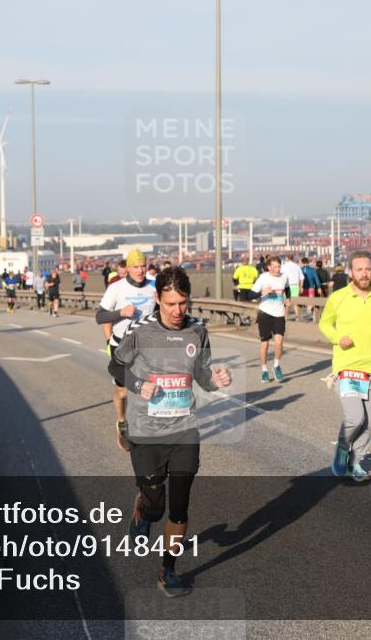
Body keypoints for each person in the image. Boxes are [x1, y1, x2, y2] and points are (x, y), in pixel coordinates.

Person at [113, 266, 231, 598]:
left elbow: (203, 374)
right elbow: (115, 365)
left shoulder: (198, 331)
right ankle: (142, 511)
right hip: (147, 432)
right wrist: (139, 384)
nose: (178, 312)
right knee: (156, 506)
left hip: (183, 430)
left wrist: (216, 380)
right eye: (170, 305)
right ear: (157, 299)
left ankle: (168, 570)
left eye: (183, 303)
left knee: (179, 508)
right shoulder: (140, 330)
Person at [319, 251, 371, 483]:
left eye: (367, 269)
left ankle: (355, 462)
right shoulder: (338, 298)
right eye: (359, 269)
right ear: (351, 272)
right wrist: (337, 337)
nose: (364, 274)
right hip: (348, 367)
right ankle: (343, 446)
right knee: (355, 417)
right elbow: (325, 323)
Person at [96, 249, 158, 430]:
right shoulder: (116, 288)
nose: (140, 271)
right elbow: (100, 317)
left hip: (146, 347)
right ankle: (122, 421)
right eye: (135, 267)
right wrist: (121, 313)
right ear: (128, 269)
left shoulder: (155, 285)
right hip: (121, 347)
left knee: (149, 388)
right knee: (122, 392)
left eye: (143, 266)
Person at [251, 256, 290, 383]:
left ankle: (276, 366)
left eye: (279, 266)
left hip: (279, 314)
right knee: (265, 344)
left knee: (279, 342)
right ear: (269, 267)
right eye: (274, 266)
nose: (277, 269)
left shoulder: (284, 277)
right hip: (265, 314)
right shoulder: (263, 278)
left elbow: (287, 288)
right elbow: (251, 294)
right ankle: (264, 370)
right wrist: (263, 292)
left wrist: (288, 298)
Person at [281, 255, 305, 321]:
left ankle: (285, 317)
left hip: (287, 286)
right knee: (295, 303)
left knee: (287, 302)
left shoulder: (283, 266)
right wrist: (301, 287)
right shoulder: (297, 266)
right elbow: (302, 278)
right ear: (293, 259)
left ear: (287, 258)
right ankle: (298, 317)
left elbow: (281, 277)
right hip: (296, 286)